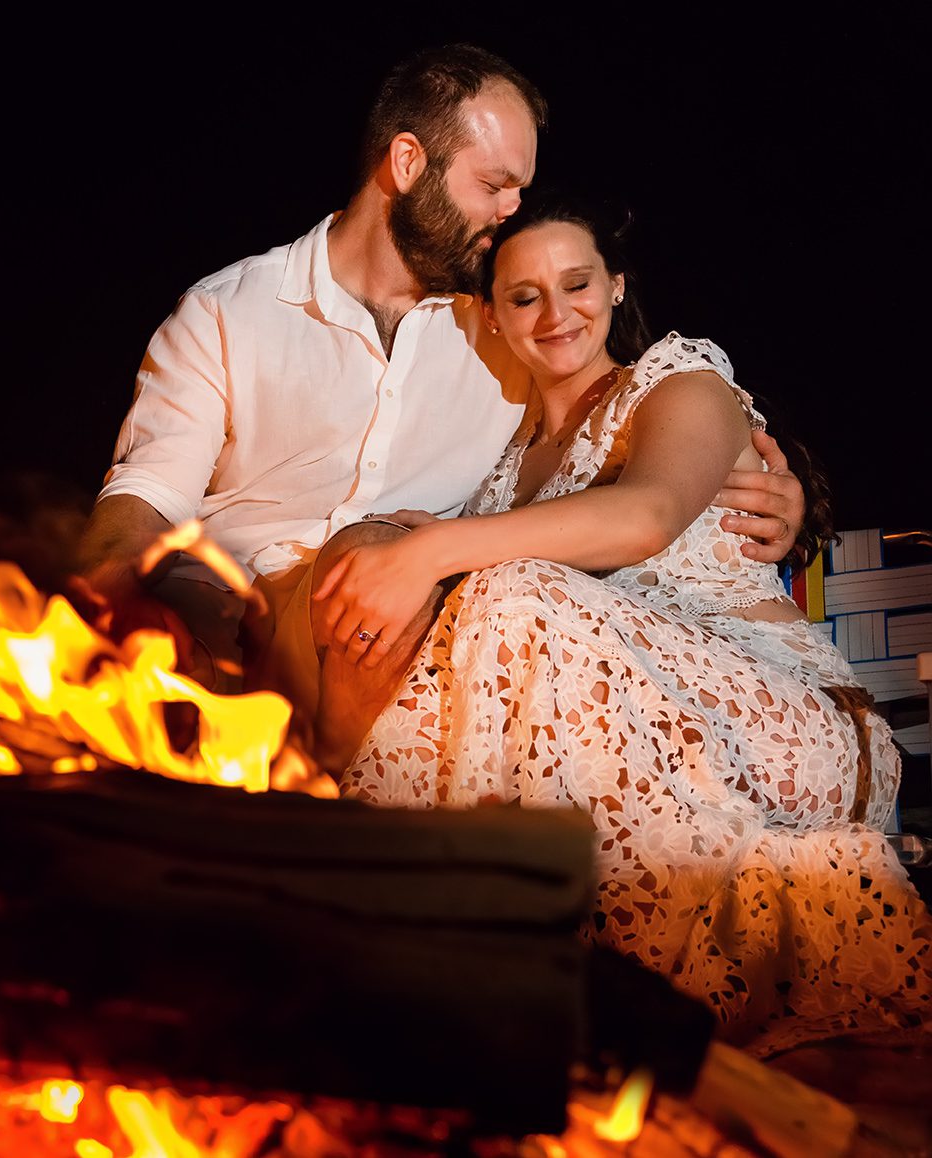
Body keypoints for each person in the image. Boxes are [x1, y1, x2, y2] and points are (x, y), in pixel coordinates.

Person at [315, 190, 932, 1053]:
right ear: (494, 317)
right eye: (525, 296)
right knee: (462, 626)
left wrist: (433, 551)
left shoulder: (678, 381)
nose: (555, 312)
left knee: (516, 592)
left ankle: (551, 981)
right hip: (639, 734)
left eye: (577, 284)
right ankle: (432, 950)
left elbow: (647, 514)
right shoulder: (502, 476)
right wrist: (389, 548)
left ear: (615, 289)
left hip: (789, 730)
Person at [71, 43, 807, 760]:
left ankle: (339, 804)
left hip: (400, 640)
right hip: (229, 637)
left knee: (376, 557)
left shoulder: (500, 325)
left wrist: (763, 475)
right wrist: (106, 621)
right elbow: (144, 498)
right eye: (494, 187)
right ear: (406, 163)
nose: (511, 211)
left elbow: (609, 424)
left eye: (521, 190)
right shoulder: (226, 313)